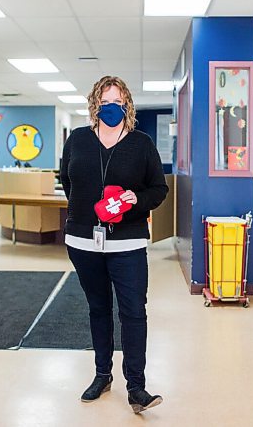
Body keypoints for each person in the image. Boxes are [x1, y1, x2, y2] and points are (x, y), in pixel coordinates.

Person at [61, 75, 168, 414]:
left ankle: (136, 387)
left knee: (134, 312)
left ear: (127, 105)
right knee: (98, 309)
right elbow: (68, 180)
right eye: (105, 101)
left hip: (128, 243)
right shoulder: (78, 140)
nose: (111, 107)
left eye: (117, 101)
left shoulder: (141, 143)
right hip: (82, 241)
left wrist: (136, 199)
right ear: (95, 105)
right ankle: (102, 374)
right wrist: (84, 213)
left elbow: (159, 189)